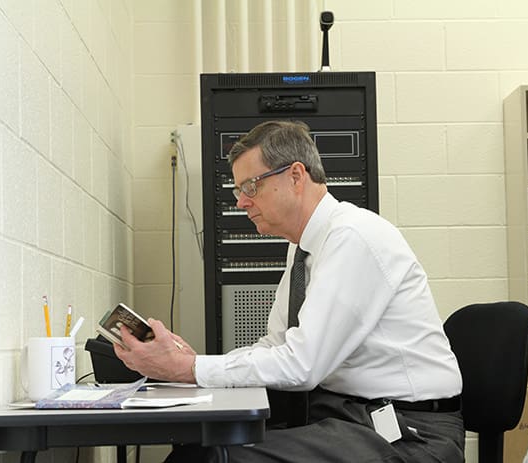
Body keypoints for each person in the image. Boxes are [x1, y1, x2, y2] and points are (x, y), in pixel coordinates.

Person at [114, 120, 465, 462]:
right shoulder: (304, 247)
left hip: (407, 433)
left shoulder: (352, 237)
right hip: (349, 414)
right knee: (197, 448)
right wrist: (200, 364)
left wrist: (188, 369)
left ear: (296, 176)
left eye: (250, 186)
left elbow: (302, 365)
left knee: (215, 456)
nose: (241, 202)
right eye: (238, 191)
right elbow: (277, 345)